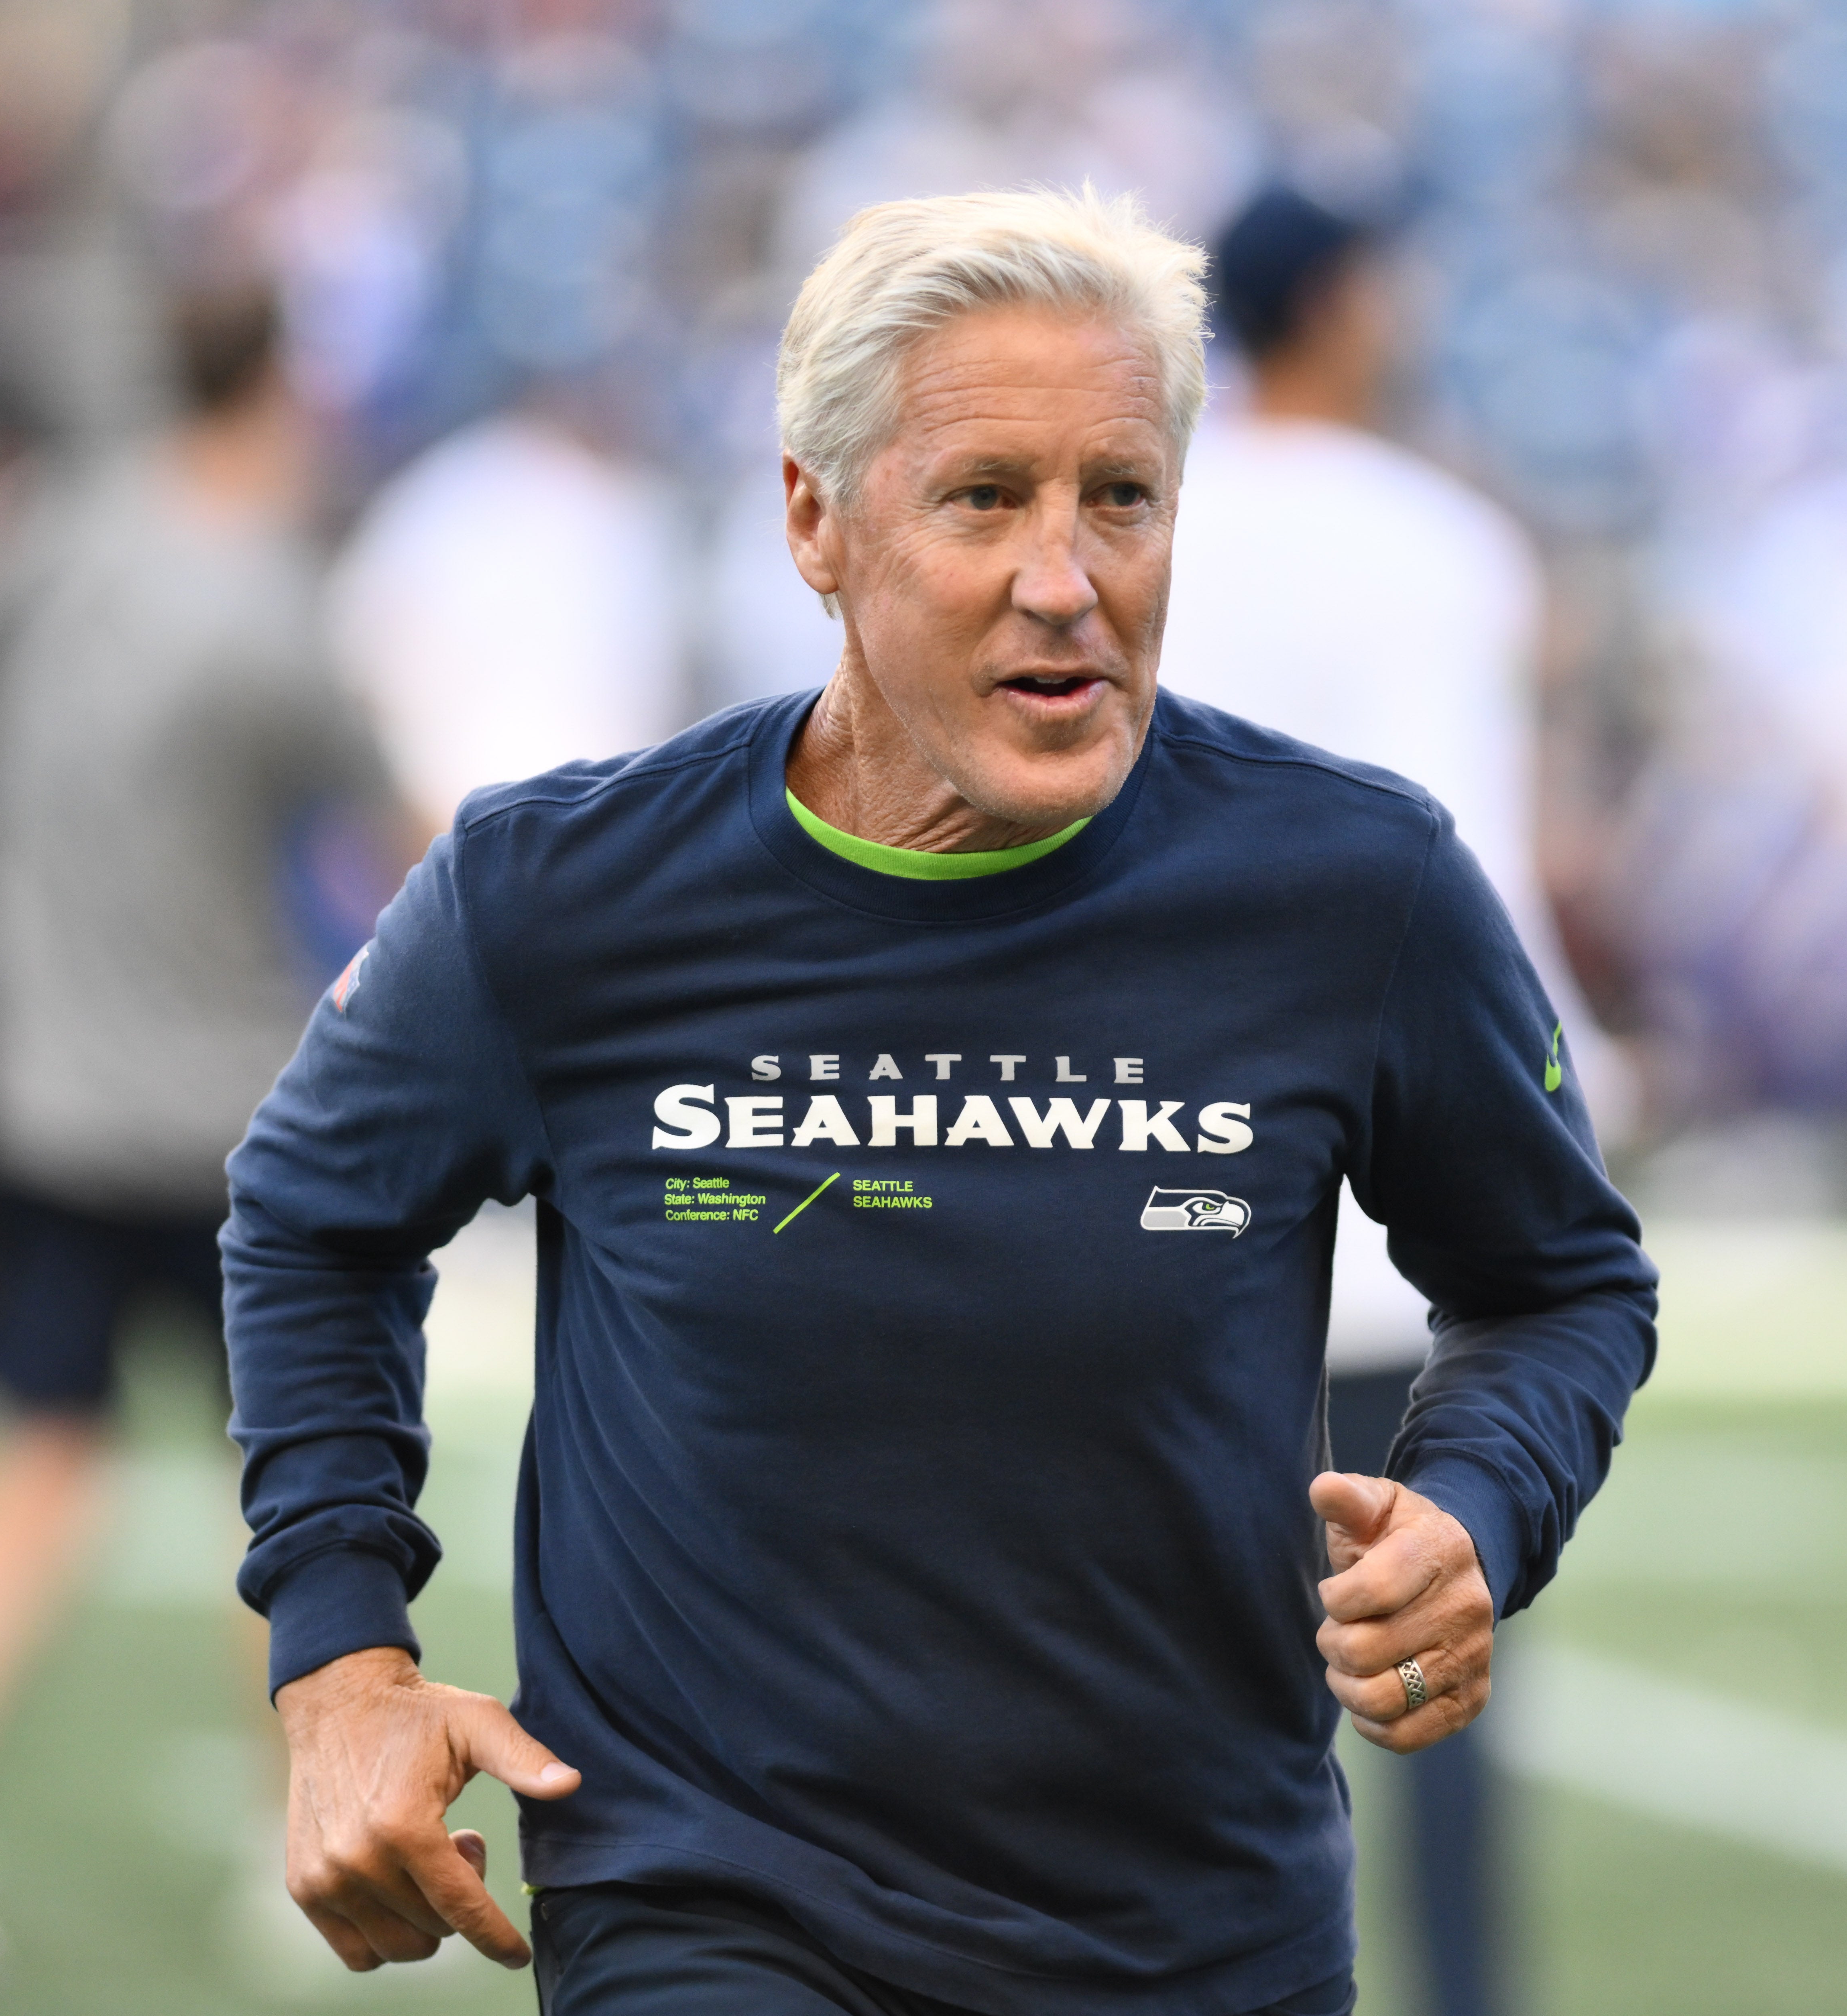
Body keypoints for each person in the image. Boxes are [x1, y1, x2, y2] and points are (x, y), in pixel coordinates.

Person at [227, 187, 1657, 2015]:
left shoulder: (1352, 886)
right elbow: (315, 1216)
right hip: (713, 1906)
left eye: (1120, 498)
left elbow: (1558, 1277)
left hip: (1191, 1934)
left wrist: (1478, 1497)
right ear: (817, 521)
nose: (1065, 576)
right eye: (985, 495)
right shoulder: (562, 891)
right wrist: (341, 1656)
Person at [0, 279, 401, 1993]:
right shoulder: (271, 603)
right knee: (299, 1487)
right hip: (227, 1119)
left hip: (32, 1089)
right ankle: (318, 1846)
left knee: (38, 1450)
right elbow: (397, 830)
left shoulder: (43, 534)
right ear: (278, 384)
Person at [1159, 183, 1612, 2016]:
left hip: (1154, 1152)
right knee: (1429, 1634)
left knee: (1174, 1667)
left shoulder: (1149, 516)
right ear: (1338, 306)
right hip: (1384, 1156)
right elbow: (1462, 861)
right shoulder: (1433, 540)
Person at [328, 384, 696, 838]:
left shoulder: (623, 518)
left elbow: (354, 647)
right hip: (506, 828)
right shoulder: (468, 482)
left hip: (475, 824)